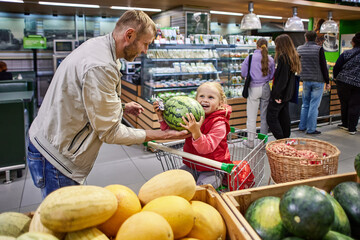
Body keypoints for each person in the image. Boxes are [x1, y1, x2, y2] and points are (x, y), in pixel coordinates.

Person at [27, 10, 189, 199]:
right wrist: (161, 135)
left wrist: (120, 107)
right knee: (63, 224)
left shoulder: (99, 47)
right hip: (56, 159)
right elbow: (110, 132)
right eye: (145, 43)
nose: (145, 51)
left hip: (49, 142)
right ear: (129, 35)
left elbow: (84, 98)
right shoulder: (101, 65)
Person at [154, 82, 232, 189]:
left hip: (212, 169)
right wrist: (161, 117)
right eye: (201, 96)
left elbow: (206, 148)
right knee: (172, 182)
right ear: (195, 99)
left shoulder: (219, 123)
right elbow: (171, 131)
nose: (205, 100)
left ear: (220, 103)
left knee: (202, 189)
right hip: (192, 165)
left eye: (211, 97)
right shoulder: (192, 115)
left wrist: (196, 132)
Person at [241, 38, 275, 148]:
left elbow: (243, 73)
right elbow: (271, 75)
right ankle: (262, 142)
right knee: (264, 116)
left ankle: (250, 142)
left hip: (253, 88)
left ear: (257, 45)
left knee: (251, 116)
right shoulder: (270, 59)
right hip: (265, 88)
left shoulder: (250, 57)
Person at [267, 34, 301, 139]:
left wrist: (277, 95)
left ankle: (281, 140)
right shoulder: (293, 56)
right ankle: (286, 138)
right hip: (288, 93)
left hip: (281, 94)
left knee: (271, 117)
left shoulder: (283, 58)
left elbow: (282, 79)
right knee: (284, 116)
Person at [297, 31, 331, 135]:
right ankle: (311, 129)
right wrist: (327, 81)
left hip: (305, 80)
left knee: (305, 104)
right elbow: (323, 66)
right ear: (315, 38)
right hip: (318, 80)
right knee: (314, 106)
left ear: (306, 38)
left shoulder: (299, 49)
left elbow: (297, 64)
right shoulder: (319, 49)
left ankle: (302, 126)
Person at [333, 32, 360, 135]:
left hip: (343, 81)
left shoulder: (346, 53)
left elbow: (337, 67)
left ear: (353, 43)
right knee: (355, 105)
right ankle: (352, 128)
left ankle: (345, 124)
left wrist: (335, 77)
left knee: (344, 103)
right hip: (358, 84)